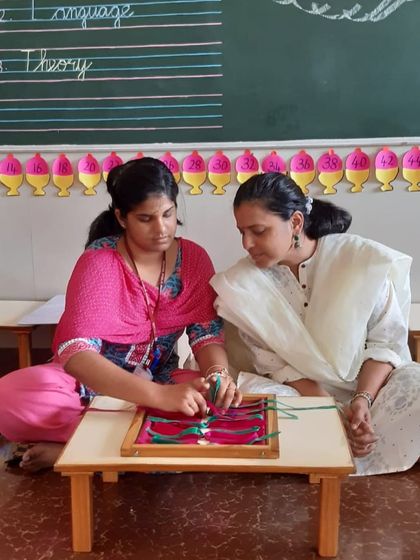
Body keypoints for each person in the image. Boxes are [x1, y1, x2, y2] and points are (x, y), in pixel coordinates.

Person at [0, 157, 241, 472]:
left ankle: (72, 451)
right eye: (145, 218)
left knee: (214, 401)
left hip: (160, 379)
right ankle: (135, 449)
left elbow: (206, 334)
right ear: (122, 217)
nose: (161, 228)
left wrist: (218, 374)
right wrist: (159, 397)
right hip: (92, 384)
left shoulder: (193, 258)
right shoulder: (100, 261)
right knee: (12, 396)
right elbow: (76, 354)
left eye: (168, 214)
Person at [211, 172, 420, 476]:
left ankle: (352, 443)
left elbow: (385, 343)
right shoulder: (242, 285)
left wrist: (360, 403)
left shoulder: (360, 261)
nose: (247, 243)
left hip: (373, 391)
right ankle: (328, 443)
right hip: (302, 396)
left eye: (258, 231)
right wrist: (329, 410)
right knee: (260, 404)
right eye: (241, 232)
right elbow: (274, 365)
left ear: (295, 222)